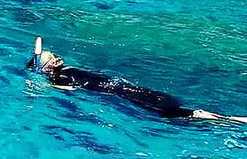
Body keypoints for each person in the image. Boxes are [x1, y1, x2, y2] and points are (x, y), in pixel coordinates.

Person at [27, 36, 247, 123]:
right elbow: (67, 88)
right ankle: (228, 119)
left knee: (177, 113)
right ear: (46, 67)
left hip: (122, 90)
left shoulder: (65, 73)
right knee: (176, 113)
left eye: (53, 55)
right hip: (121, 90)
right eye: (51, 58)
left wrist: (44, 81)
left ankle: (227, 119)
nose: (56, 58)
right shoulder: (63, 75)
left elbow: (69, 90)